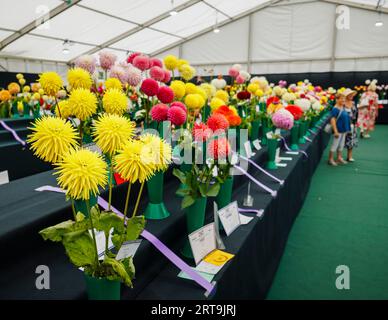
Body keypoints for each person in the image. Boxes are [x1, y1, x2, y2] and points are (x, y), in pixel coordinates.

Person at [328, 92, 351, 166]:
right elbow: (333, 120)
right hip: (338, 130)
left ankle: (339, 157)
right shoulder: (335, 109)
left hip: (343, 130)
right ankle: (330, 159)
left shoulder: (342, 107)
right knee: (335, 144)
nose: (343, 100)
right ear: (337, 99)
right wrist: (335, 131)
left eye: (344, 99)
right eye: (341, 99)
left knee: (341, 145)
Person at [343, 89, 358, 162]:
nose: (352, 95)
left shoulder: (353, 103)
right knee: (341, 140)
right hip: (343, 125)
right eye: (350, 94)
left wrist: (355, 123)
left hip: (352, 124)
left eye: (352, 94)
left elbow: (355, 114)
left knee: (351, 140)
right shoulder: (342, 103)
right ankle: (339, 156)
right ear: (346, 95)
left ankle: (349, 156)